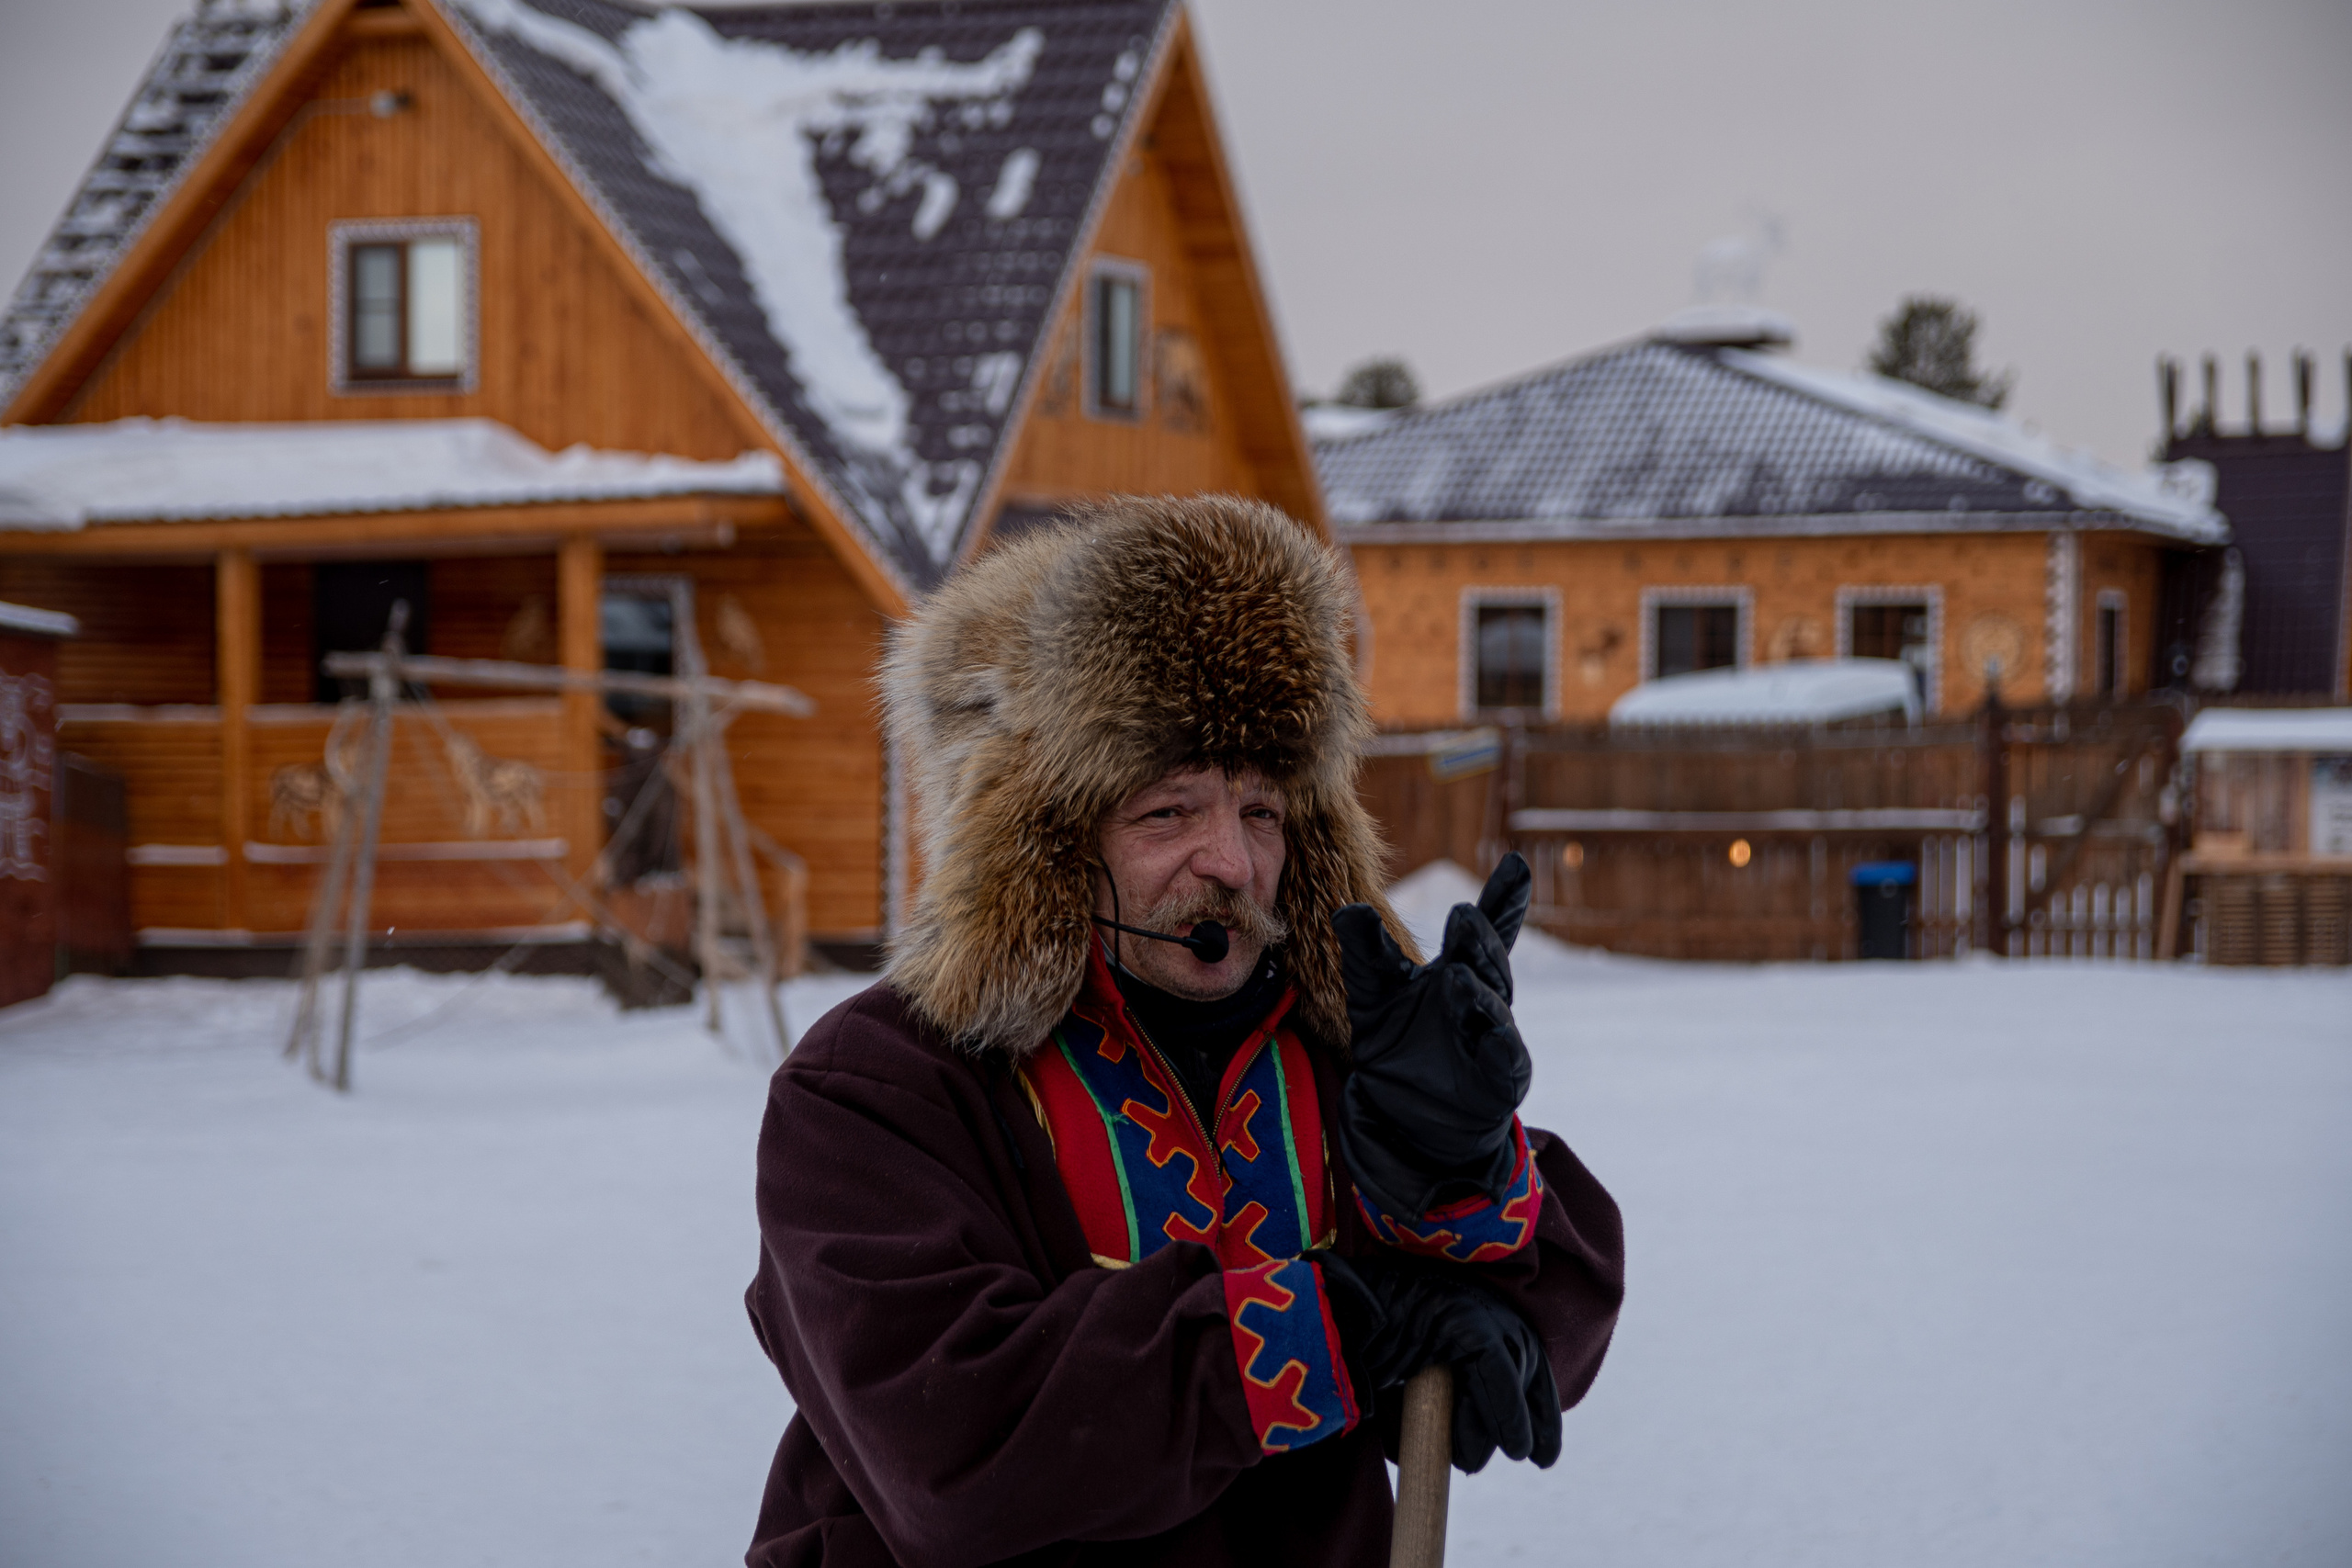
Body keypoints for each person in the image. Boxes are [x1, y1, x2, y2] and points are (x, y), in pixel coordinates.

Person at [744, 495, 1623, 1566]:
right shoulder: (874, 1087)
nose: (1232, 863)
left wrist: (1456, 1167)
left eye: (1261, 811)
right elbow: (953, 1451)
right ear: (1047, 842)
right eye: (1169, 811)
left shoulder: (1348, 1062)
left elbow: (1555, 1324)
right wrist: (1334, 1327)